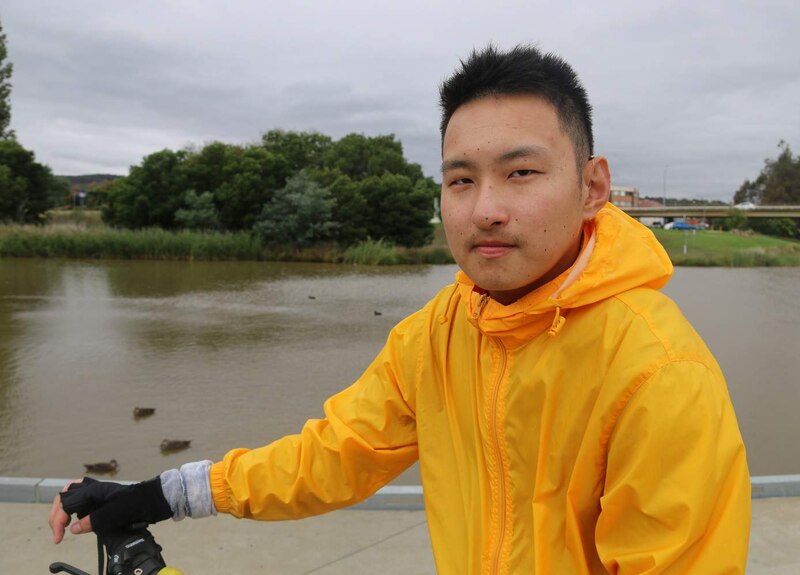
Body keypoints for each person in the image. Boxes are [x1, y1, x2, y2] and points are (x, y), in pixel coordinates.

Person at [50, 44, 751, 573]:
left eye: (522, 172)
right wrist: (162, 493)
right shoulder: (439, 335)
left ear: (594, 185)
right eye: (460, 179)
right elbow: (332, 455)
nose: (486, 209)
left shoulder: (658, 373)